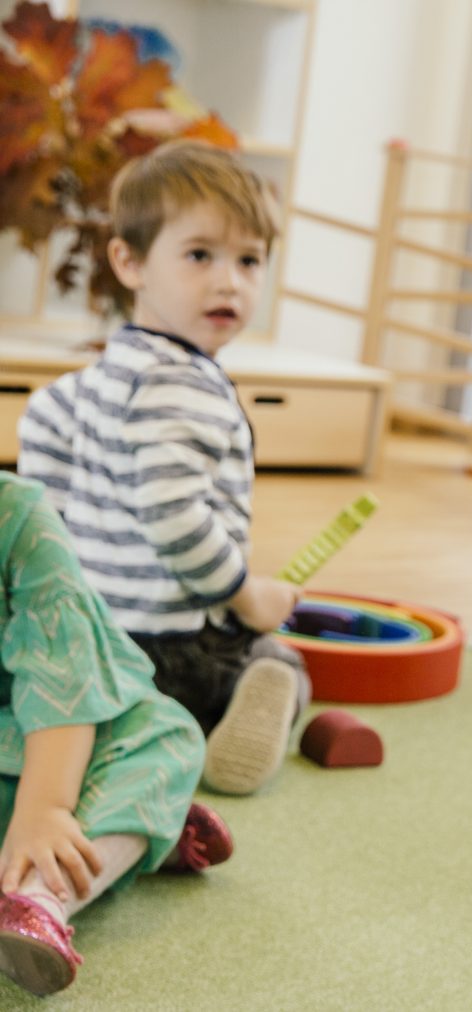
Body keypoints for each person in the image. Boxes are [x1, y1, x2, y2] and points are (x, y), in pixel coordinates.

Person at [18, 141, 309, 797]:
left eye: (250, 260)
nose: (229, 281)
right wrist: (247, 594)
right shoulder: (186, 387)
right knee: (279, 658)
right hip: (175, 644)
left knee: (94, 699)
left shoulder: (86, 382)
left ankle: (98, 723)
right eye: (200, 255)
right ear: (129, 261)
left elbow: (40, 449)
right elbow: (175, 516)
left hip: (91, 639)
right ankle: (231, 705)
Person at [0, 472, 233, 997]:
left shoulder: (18, 515)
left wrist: (47, 807)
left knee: (166, 737)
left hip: (61, 732)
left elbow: (63, 676)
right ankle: (138, 829)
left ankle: (36, 899)